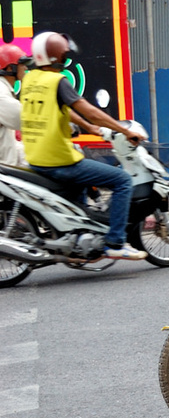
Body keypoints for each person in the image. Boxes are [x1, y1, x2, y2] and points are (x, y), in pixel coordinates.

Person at [19, 32, 148, 260]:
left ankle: (79, 239)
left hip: (36, 158)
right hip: (59, 160)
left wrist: (88, 127)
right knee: (122, 181)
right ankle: (116, 242)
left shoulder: (30, 80)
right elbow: (88, 110)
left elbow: (62, 108)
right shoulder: (58, 81)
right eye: (64, 54)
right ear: (57, 56)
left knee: (81, 187)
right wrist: (126, 131)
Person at [0, 43, 25, 166]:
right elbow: (26, 119)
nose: (25, 68)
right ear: (10, 68)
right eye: (22, 64)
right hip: (5, 169)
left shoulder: (5, 88)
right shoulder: (1, 93)